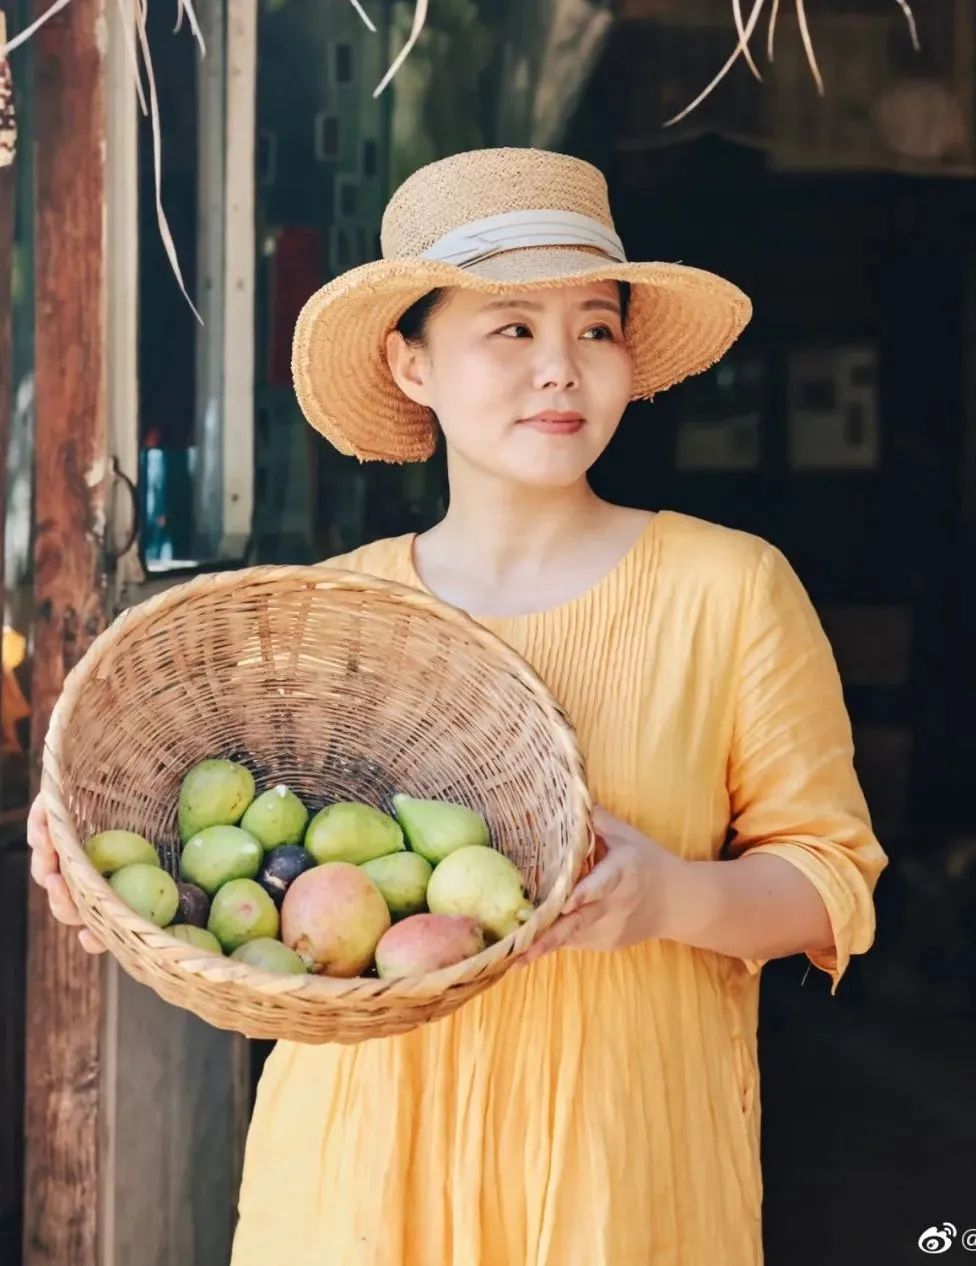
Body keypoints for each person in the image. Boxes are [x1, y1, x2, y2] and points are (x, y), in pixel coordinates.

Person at [28, 147, 889, 1266]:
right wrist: (102, 876)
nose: (562, 370)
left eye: (596, 326)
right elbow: (225, 874)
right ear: (412, 363)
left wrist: (670, 897)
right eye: (511, 329)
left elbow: (832, 887)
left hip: (612, 1172)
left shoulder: (727, 590)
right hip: (354, 1179)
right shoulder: (333, 616)